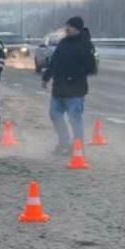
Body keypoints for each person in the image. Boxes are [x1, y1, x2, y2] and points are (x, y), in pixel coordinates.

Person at [42, 15, 97, 154]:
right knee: (55, 115)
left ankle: (77, 147)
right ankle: (63, 142)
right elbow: (54, 62)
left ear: (77, 29)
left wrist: (74, 74)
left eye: (70, 26)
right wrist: (46, 77)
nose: (67, 28)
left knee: (75, 119)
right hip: (59, 87)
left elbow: (92, 67)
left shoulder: (85, 45)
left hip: (76, 89)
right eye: (67, 26)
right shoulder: (63, 43)